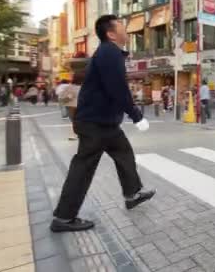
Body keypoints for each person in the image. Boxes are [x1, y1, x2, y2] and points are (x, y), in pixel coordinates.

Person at [50, 15, 155, 233]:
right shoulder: (109, 52)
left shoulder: (110, 53)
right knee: (84, 166)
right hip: (95, 123)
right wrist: (136, 116)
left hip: (104, 123)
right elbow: (117, 89)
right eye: (122, 26)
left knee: (124, 153)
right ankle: (63, 217)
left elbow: (114, 88)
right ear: (111, 33)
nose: (126, 30)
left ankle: (132, 194)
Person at [60, 73, 84, 141]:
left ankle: (77, 134)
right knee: (79, 120)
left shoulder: (69, 87)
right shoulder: (85, 86)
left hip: (71, 105)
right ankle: (80, 134)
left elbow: (62, 97)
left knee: (74, 121)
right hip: (80, 105)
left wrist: (68, 97)